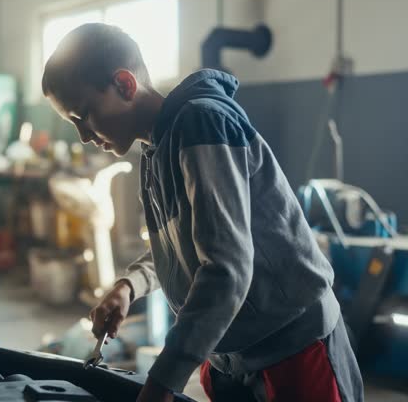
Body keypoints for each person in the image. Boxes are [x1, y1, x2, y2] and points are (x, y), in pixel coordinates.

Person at [41, 23, 363, 402]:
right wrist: (129, 286)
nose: (83, 136)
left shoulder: (201, 122)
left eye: (84, 115)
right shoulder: (154, 151)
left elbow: (227, 269)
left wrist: (163, 381)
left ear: (125, 85)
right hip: (230, 355)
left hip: (292, 349)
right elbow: (183, 247)